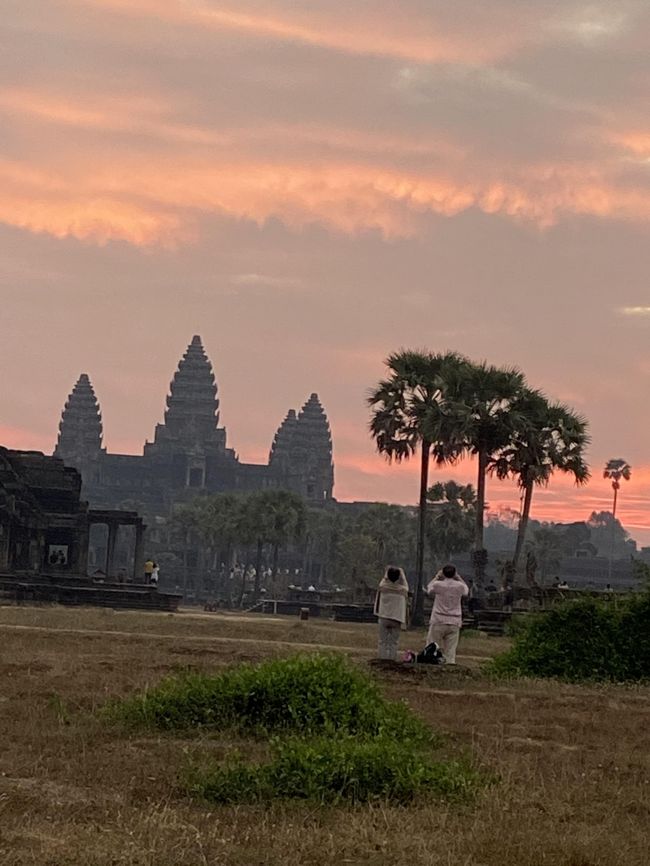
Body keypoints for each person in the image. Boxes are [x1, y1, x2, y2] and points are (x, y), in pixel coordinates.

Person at [426, 564, 469, 665]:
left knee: (432, 646)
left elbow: (429, 589)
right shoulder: (459, 586)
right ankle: (449, 668)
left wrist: (437, 576)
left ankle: (431, 665)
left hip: (438, 620)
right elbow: (466, 591)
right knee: (450, 650)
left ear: (443, 574)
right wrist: (458, 577)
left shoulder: (438, 584)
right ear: (454, 573)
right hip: (454, 621)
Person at [374, 566, 409, 661]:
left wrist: (386, 574)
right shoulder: (402, 590)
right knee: (394, 642)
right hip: (397, 618)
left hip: (384, 617)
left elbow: (381, 583)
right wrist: (402, 574)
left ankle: (382, 658)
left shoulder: (383, 587)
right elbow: (406, 587)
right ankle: (392, 659)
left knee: (382, 641)